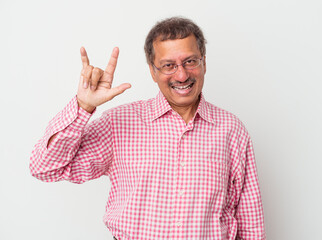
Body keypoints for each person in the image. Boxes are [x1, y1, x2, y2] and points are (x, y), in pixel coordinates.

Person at [30, 17, 266, 240]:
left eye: (190, 61)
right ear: (153, 71)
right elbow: (45, 168)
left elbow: (249, 220)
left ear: (204, 62)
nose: (182, 74)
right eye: (168, 65)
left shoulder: (231, 129)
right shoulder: (119, 123)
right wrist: (83, 106)